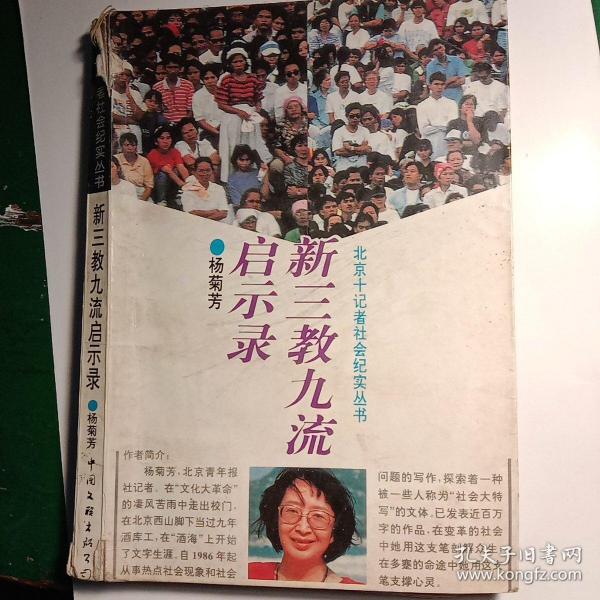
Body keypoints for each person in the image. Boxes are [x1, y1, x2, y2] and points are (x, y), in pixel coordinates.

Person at [249, 468, 363, 583]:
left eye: (318, 516)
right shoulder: (249, 573)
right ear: (276, 520)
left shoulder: (354, 590)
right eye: (292, 511)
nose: (303, 529)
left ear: (335, 530)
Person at [215, 48, 268, 182]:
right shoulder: (227, 80)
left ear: (245, 62)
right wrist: (239, 112)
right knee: (234, 146)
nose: (238, 64)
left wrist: (256, 109)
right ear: (230, 64)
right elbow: (221, 104)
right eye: (235, 62)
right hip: (232, 116)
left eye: (241, 61)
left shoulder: (253, 79)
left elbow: (258, 99)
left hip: (250, 117)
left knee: (251, 145)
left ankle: (253, 177)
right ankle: (231, 178)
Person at [416, 71, 458, 158]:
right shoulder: (421, 106)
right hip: (429, 143)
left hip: (446, 142)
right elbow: (424, 130)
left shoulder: (452, 103)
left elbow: (452, 126)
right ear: (430, 86)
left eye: (442, 84)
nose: (439, 87)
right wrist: (442, 127)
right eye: (436, 84)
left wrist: (435, 126)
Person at [147, 125, 188, 207]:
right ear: (156, 142)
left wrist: (190, 182)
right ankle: (161, 200)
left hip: (171, 181)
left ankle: (178, 196)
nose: (165, 141)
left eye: (168, 138)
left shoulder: (175, 152)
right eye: (162, 138)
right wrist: (183, 185)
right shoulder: (153, 153)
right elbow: (167, 170)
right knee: (163, 174)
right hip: (156, 183)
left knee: (177, 170)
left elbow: (181, 167)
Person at [152, 53, 194, 123]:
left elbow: (190, 109)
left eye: (175, 67)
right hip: (165, 123)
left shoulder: (188, 85)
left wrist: (184, 123)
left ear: (180, 69)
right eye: (170, 67)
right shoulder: (157, 87)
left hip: (184, 123)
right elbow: (157, 110)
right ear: (165, 68)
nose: (173, 70)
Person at [331, 103, 371, 171]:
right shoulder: (338, 132)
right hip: (344, 163)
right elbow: (338, 152)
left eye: (358, 116)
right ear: (347, 116)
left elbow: (368, 150)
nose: (355, 118)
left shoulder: (365, 131)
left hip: (362, 163)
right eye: (352, 116)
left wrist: (350, 148)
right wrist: (360, 148)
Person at [115, 132, 153, 201]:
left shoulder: (144, 161)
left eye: (133, 145)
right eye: (127, 145)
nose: (130, 148)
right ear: (121, 146)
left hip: (141, 193)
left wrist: (140, 202)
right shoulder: (115, 159)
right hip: (121, 193)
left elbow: (149, 187)